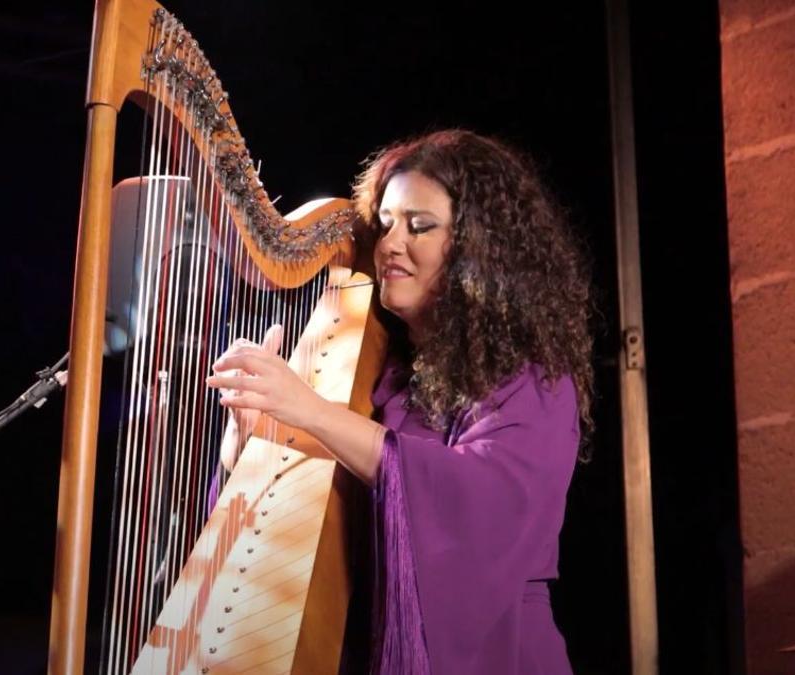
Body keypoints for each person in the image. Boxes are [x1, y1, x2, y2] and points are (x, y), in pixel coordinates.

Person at [206, 129, 593, 674]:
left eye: (420, 226)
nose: (390, 243)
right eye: (385, 223)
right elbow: (331, 516)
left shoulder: (532, 381)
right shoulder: (383, 376)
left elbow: (477, 508)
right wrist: (250, 442)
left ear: (478, 250)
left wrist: (311, 411)